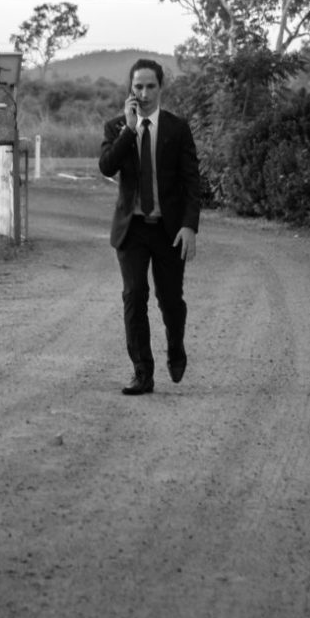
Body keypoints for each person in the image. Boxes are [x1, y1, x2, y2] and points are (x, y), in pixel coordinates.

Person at [97, 57, 201, 396]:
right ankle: (142, 372)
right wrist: (129, 129)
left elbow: (191, 183)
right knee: (134, 295)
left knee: (170, 300)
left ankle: (176, 346)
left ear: (160, 88)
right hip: (133, 229)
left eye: (150, 86)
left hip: (169, 229)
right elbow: (107, 167)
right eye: (138, 87)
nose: (144, 93)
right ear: (130, 90)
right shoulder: (116, 128)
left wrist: (189, 227)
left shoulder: (177, 128)